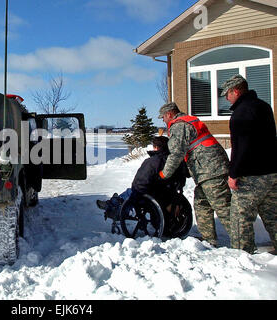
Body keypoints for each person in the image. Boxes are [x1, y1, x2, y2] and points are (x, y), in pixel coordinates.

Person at [157, 102, 231, 247]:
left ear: (170, 114)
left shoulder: (178, 126)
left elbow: (176, 153)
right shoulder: (186, 121)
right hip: (206, 170)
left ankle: (243, 245)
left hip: (211, 170)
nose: (164, 121)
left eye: (163, 118)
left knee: (223, 207)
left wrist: (164, 174)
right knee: (201, 203)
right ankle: (209, 239)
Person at [220, 74, 276, 254]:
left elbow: (241, 147)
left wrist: (233, 174)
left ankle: (242, 258)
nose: (226, 98)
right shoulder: (264, 107)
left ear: (236, 91)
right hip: (271, 173)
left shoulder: (241, 113)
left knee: (240, 219)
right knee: (273, 217)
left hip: (251, 177)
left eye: (227, 94)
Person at [96, 136, 188, 221]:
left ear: (156, 147)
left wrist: (136, 191)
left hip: (152, 195)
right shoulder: (175, 161)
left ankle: (112, 206)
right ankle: (113, 202)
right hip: (167, 193)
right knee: (131, 192)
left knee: (131, 193)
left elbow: (140, 182)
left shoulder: (153, 161)